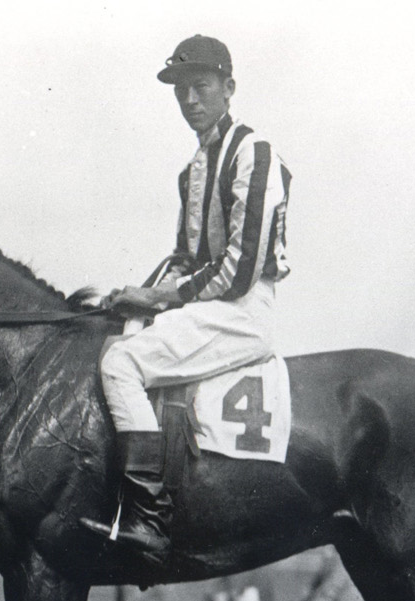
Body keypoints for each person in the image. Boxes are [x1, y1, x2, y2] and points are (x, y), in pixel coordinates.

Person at [80, 34, 291, 563]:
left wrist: (160, 296)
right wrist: (138, 297)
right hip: (204, 304)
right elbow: (184, 256)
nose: (190, 101)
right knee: (114, 339)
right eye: (180, 91)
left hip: (242, 309)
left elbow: (240, 270)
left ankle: (150, 518)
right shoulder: (192, 170)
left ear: (228, 87)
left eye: (200, 87)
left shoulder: (254, 153)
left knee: (122, 364)